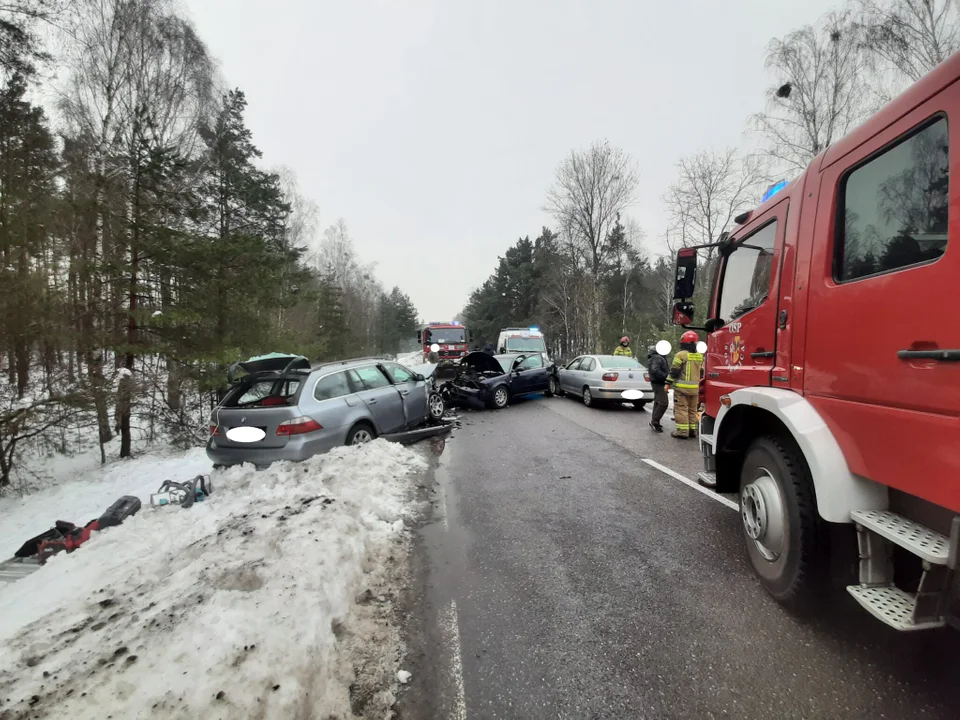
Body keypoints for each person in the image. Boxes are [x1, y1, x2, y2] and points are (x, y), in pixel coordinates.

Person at [665, 330, 703, 439]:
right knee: (692, 410)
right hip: (695, 389)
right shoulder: (699, 356)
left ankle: (682, 432)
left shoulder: (680, 355)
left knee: (681, 410)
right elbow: (702, 372)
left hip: (682, 389)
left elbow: (674, 371)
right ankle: (692, 431)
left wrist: (668, 384)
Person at [646, 345, 669, 433]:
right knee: (664, 403)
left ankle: (655, 421)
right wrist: (665, 377)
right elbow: (655, 370)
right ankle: (654, 421)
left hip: (658, 382)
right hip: (659, 383)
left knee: (658, 402)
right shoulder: (657, 358)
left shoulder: (658, 357)